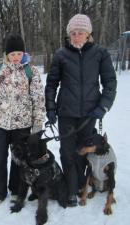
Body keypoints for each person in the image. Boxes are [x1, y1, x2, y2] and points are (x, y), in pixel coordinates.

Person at [45, 14, 117, 206]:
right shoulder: (61, 55)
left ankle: (80, 186)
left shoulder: (100, 53)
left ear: (88, 34)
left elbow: (110, 82)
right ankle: (70, 190)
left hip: (90, 114)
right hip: (66, 113)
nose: (76, 36)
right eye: (73, 33)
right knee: (67, 152)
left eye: (80, 33)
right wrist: (51, 108)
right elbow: (51, 84)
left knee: (84, 152)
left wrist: (103, 105)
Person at [0, 33, 45, 208]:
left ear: (24, 53)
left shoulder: (31, 71)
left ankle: (16, 190)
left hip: (22, 125)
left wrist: (38, 121)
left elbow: (38, 98)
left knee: (19, 161)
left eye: (19, 53)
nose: (16, 57)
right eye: (12, 54)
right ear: (6, 54)